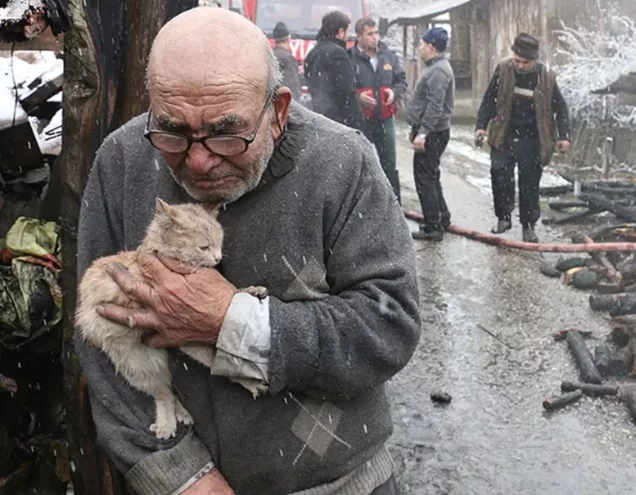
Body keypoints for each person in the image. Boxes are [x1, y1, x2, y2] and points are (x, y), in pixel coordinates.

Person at [75, 7, 420, 495]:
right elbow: (98, 343)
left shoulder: (343, 162)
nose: (198, 160)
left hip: (342, 483)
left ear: (277, 111)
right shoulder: (123, 160)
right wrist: (179, 477)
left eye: (226, 133)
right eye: (172, 131)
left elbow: (389, 327)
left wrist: (233, 323)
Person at [475, 33, 571, 243]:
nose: (520, 65)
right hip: (504, 134)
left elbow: (561, 108)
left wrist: (563, 135)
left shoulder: (547, 77)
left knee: (529, 183)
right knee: (499, 173)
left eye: (525, 62)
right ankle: (504, 217)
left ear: (534, 59)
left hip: (534, 138)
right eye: (517, 60)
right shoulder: (503, 69)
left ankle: (528, 226)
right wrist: (481, 126)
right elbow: (489, 99)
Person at [405, 27, 454, 241]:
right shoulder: (436, 68)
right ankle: (441, 217)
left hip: (433, 132)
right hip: (433, 130)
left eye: (422, 44)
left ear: (431, 47)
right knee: (431, 175)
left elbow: (435, 106)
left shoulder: (438, 71)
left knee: (424, 178)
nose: (419, 48)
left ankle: (433, 226)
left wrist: (423, 133)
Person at [350, 17, 406, 204]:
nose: (375, 37)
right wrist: (358, 97)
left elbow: (401, 81)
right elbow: (343, 88)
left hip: (385, 118)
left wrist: (394, 92)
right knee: (360, 164)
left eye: (376, 33)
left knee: (389, 164)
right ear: (359, 37)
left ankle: (394, 205)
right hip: (361, 121)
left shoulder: (388, 56)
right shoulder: (350, 58)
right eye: (370, 34)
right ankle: (363, 205)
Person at [303, 10, 363, 129]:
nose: (348, 36)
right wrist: (358, 122)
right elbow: (347, 92)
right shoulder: (338, 54)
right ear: (340, 32)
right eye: (347, 31)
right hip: (338, 121)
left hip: (318, 118)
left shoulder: (312, 53)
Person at [271, 21, 303, 98]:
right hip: (284, 100)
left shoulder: (270, 55)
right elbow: (293, 84)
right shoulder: (288, 58)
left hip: (272, 99)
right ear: (288, 39)